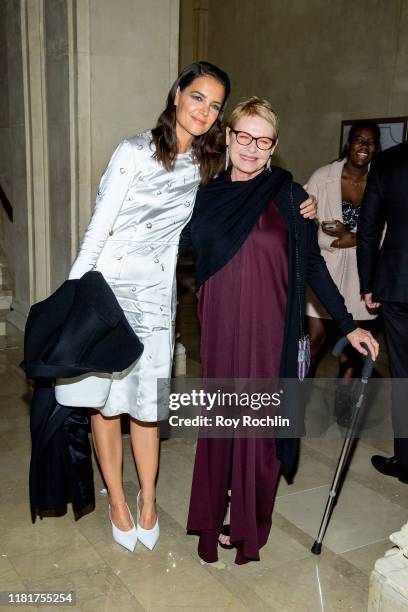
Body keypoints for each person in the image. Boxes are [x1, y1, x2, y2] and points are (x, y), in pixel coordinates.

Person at [65, 64, 317, 553]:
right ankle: (119, 500)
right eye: (197, 97)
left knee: (145, 406)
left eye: (215, 104)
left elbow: (239, 203)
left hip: (159, 300)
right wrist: (77, 295)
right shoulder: (133, 152)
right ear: (177, 94)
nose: (204, 110)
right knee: (104, 402)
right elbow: (98, 229)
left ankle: (149, 501)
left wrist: (301, 206)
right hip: (110, 292)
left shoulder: (201, 168)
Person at [186, 97, 379, 564]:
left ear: (275, 146)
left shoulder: (291, 197)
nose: (252, 148)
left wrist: (349, 324)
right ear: (228, 138)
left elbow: (312, 265)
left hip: (270, 328)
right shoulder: (203, 195)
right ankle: (213, 514)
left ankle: (248, 522)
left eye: (263, 140)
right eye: (244, 137)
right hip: (219, 325)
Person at [305, 121, 380, 419]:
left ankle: (344, 408)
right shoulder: (323, 176)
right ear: (348, 143)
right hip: (325, 270)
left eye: (371, 142)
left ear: (376, 147)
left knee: (355, 348)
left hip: (364, 275)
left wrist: (352, 237)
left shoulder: (380, 180)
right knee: (312, 342)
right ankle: (295, 400)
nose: (364, 146)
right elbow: (308, 227)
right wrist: (336, 240)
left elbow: (387, 229)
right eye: (358, 140)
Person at [357, 140, 408, 483]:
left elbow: (369, 229)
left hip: (397, 283)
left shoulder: (390, 161)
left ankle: (406, 462)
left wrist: (368, 282)